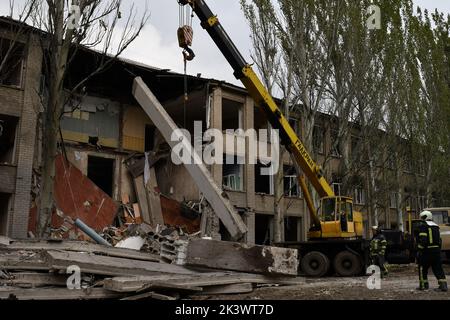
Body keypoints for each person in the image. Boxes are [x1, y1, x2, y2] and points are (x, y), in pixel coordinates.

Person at [416, 210, 448, 291]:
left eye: (422, 217)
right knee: (438, 268)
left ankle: (423, 286)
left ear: (425, 217)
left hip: (426, 251)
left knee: (423, 268)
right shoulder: (436, 226)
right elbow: (439, 240)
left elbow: (423, 240)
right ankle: (443, 285)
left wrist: (419, 249)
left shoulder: (423, 226)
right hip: (436, 251)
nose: (421, 219)